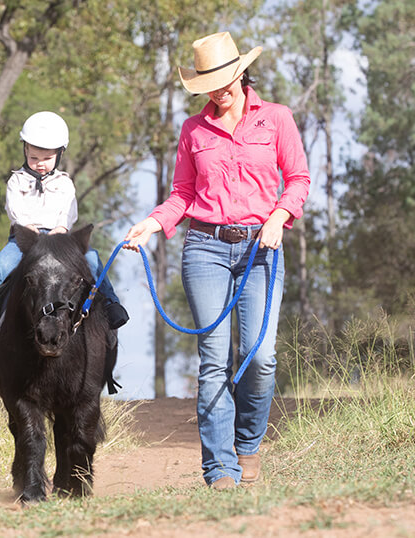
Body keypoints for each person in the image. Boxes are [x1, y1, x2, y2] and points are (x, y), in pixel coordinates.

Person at [123, 32, 310, 489]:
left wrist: (279, 216)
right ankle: (219, 468)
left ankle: (248, 445)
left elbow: (299, 179)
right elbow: (183, 195)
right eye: (210, 82)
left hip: (260, 248)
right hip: (205, 248)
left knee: (260, 356)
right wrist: (151, 223)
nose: (220, 89)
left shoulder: (277, 119)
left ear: (242, 73)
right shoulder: (193, 130)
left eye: (226, 79)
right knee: (212, 361)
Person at [0, 111, 129, 341]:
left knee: (92, 260)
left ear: (59, 154)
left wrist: (62, 228)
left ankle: (111, 304)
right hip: (26, 239)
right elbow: (14, 209)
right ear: (25, 151)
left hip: (58, 238)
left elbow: (68, 210)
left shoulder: (64, 183)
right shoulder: (16, 181)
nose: (40, 164)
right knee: (0, 264)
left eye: (46, 159)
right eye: (34, 158)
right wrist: (26, 227)